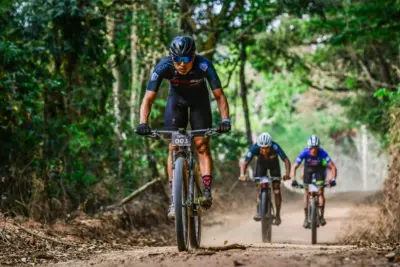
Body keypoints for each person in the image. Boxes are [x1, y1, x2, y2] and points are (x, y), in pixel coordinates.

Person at [136, 36, 231, 220]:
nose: (181, 64)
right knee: (173, 147)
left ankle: (207, 190)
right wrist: (143, 123)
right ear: (171, 57)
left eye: (186, 59)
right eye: (177, 59)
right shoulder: (164, 66)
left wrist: (225, 119)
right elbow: (148, 98)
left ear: (193, 56)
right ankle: (174, 198)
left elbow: (219, 96)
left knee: (201, 145)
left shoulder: (204, 65)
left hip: (199, 103)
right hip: (176, 103)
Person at [239, 132, 291, 225]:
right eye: (262, 148)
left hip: (274, 165)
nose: (264, 150)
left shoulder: (275, 147)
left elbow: (286, 160)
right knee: (259, 186)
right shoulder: (254, 148)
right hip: (261, 165)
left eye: (267, 147)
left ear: (270, 145)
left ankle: (278, 215)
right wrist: (242, 174)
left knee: (276, 189)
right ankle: (259, 210)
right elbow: (245, 162)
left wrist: (287, 174)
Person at [290, 135, 337, 228]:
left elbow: (332, 166)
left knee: (320, 191)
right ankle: (306, 217)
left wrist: (333, 179)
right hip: (309, 170)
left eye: (315, 148)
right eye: (311, 148)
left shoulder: (322, 153)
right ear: (308, 148)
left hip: (320, 170)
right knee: (306, 192)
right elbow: (295, 166)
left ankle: (321, 217)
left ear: (318, 147)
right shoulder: (304, 152)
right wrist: (293, 179)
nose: (313, 150)